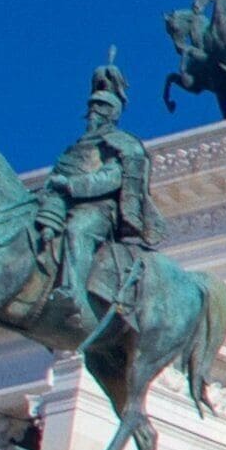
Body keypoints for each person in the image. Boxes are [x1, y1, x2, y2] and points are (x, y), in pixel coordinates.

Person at [40, 58, 160, 332]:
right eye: (91, 108)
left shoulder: (122, 144)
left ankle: (72, 291)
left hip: (99, 211)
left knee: (76, 231)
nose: (93, 113)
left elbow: (110, 178)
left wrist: (71, 186)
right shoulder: (75, 147)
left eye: (100, 108)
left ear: (111, 113)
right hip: (63, 203)